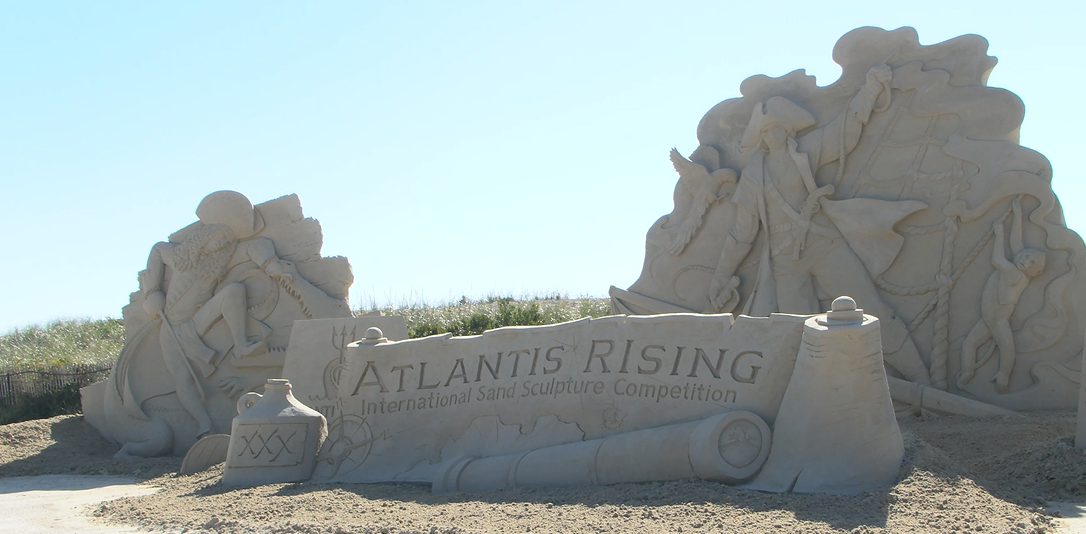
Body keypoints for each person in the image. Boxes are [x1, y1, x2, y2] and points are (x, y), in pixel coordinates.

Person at [707, 65, 932, 385]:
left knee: (872, 310)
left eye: (778, 127)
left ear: (788, 129)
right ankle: (819, 393)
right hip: (785, 263)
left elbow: (843, 132)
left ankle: (922, 379)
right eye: (767, 131)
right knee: (798, 331)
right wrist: (720, 278)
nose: (773, 135)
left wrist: (870, 90)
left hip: (824, 243)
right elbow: (742, 232)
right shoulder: (754, 174)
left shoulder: (806, 151)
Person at [140, 191, 293, 437]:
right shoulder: (179, 257)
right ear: (205, 234)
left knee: (234, 291)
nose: (222, 243)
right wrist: (152, 292)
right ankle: (204, 425)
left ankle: (242, 345)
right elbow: (157, 249)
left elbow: (256, 245)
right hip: (171, 327)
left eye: (227, 241)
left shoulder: (220, 262)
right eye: (220, 236)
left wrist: (271, 265)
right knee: (183, 378)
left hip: (196, 322)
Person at [957, 197, 1045, 392]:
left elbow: (997, 259)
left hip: (997, 320)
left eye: (1032, 263)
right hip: (987, 318)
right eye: (1026, 256)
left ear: (1035, 272)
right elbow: (1016, 241)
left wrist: (999, 233)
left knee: (1006, 347)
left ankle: (1003, 376)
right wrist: (1017, 214)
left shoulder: (1016, 274)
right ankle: (967, 372)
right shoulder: (1017, 265)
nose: (1026, 261)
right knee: (969, 344)